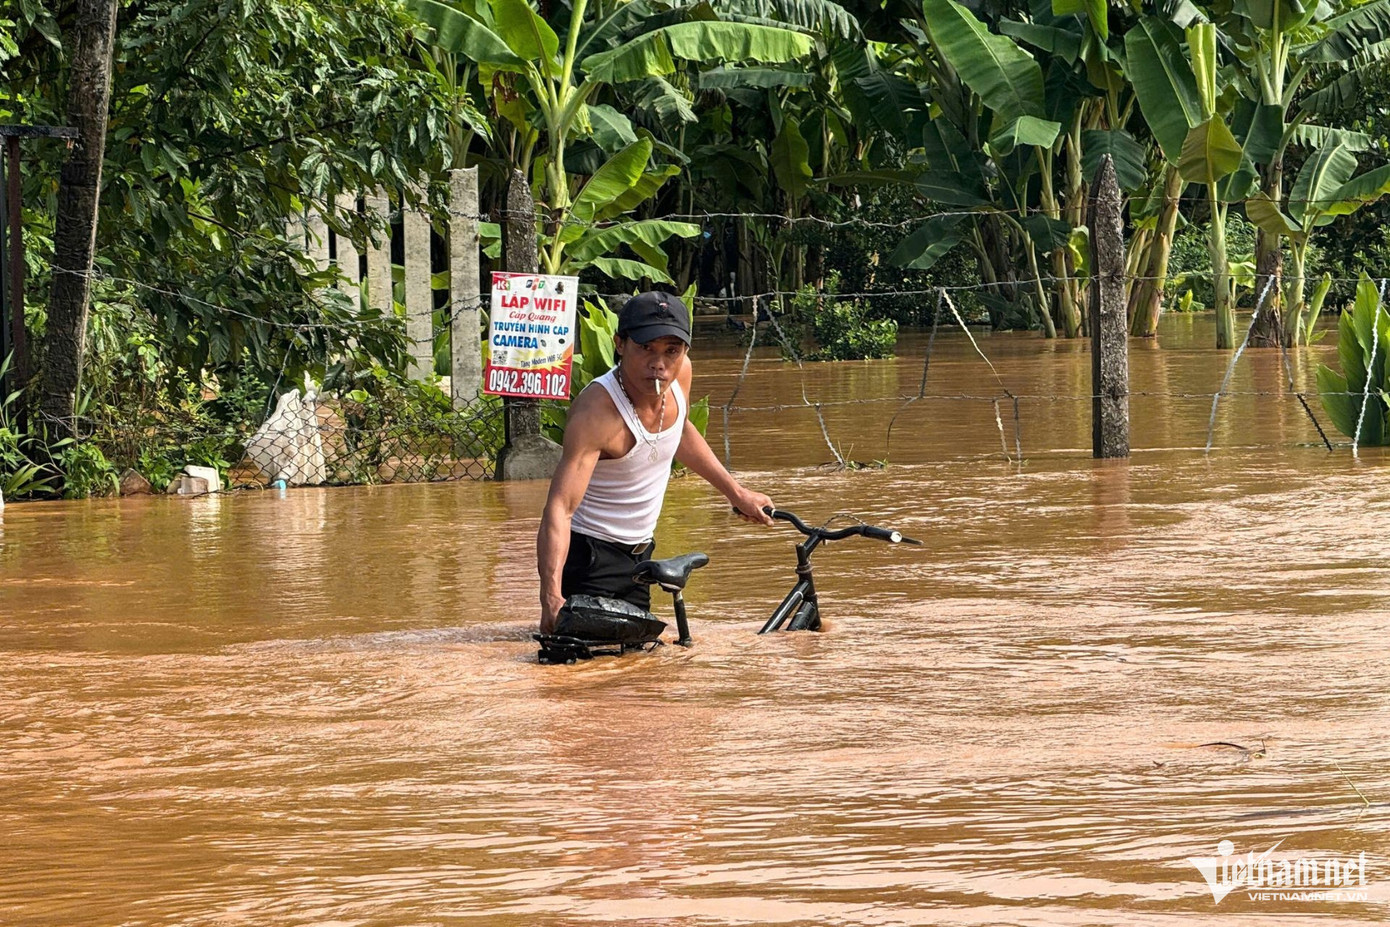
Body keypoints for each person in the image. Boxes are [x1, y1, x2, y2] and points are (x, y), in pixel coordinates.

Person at [537, 291, 775, 633]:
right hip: (590, 556)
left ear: (684, 352)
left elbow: (679, 431)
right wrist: (551, 598)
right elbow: (560, 508)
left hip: (641, 554)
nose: (658, 364)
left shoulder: (680, 375)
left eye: (670, 351)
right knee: (585, 676)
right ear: (620, 344)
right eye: (646, 348)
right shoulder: (597, 414)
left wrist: (737, 494)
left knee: (639, 670)